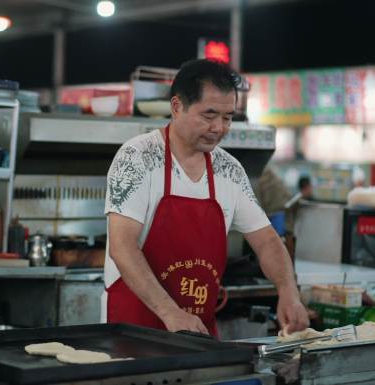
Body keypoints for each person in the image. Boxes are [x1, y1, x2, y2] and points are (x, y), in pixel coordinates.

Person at [103, 59, 309, 337]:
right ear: (177, 107)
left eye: (227, 118)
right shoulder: (138, 157)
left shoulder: (230, 170)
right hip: (135, 328)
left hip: (197, 329)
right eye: (209, 115)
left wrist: (288, 291)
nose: (219, 128)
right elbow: (122, 247)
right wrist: (170, 313)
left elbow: (267, 241)